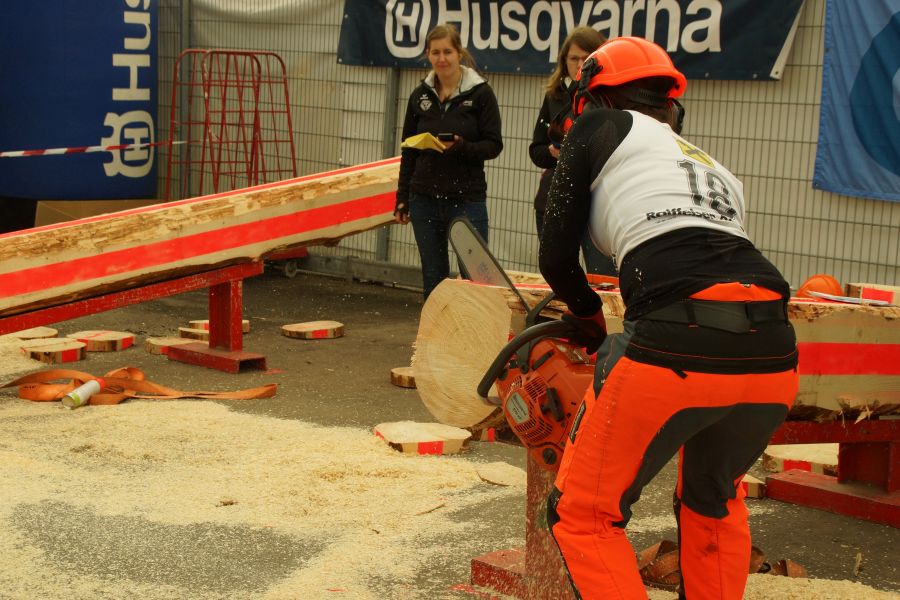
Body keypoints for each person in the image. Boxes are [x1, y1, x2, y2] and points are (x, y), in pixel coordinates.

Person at [539, 37, 798, 600]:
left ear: (591, 99)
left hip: (676, 342)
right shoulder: (712, 166)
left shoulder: (598, 127)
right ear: (671, 105)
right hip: (774, 347)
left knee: (583, 514)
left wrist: (588, 318)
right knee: (713, 499)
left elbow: (555, 256)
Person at [394, 23, 503, 299]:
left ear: (459, 53)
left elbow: (494, 145)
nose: (441, 58)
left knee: (475, 279)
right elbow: (408, 150)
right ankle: (436, 328)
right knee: (434, 279)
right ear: (428, 55)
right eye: (435, 52)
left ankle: (475, 328)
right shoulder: (419, 95)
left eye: (447, 52)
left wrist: (462, 147)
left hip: (467, 199)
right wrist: (402, 197)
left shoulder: (481, 93)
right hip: (424, 199)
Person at [529, 26, 616, 277]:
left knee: (604, 279)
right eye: (573, 58)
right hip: (554, 199)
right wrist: (553, 153)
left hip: (597, 204)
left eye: (586, 58)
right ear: (563, 61)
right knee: (558, 277)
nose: (579, 64)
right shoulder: (554, 96)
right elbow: (536, 150)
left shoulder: (611, 97)